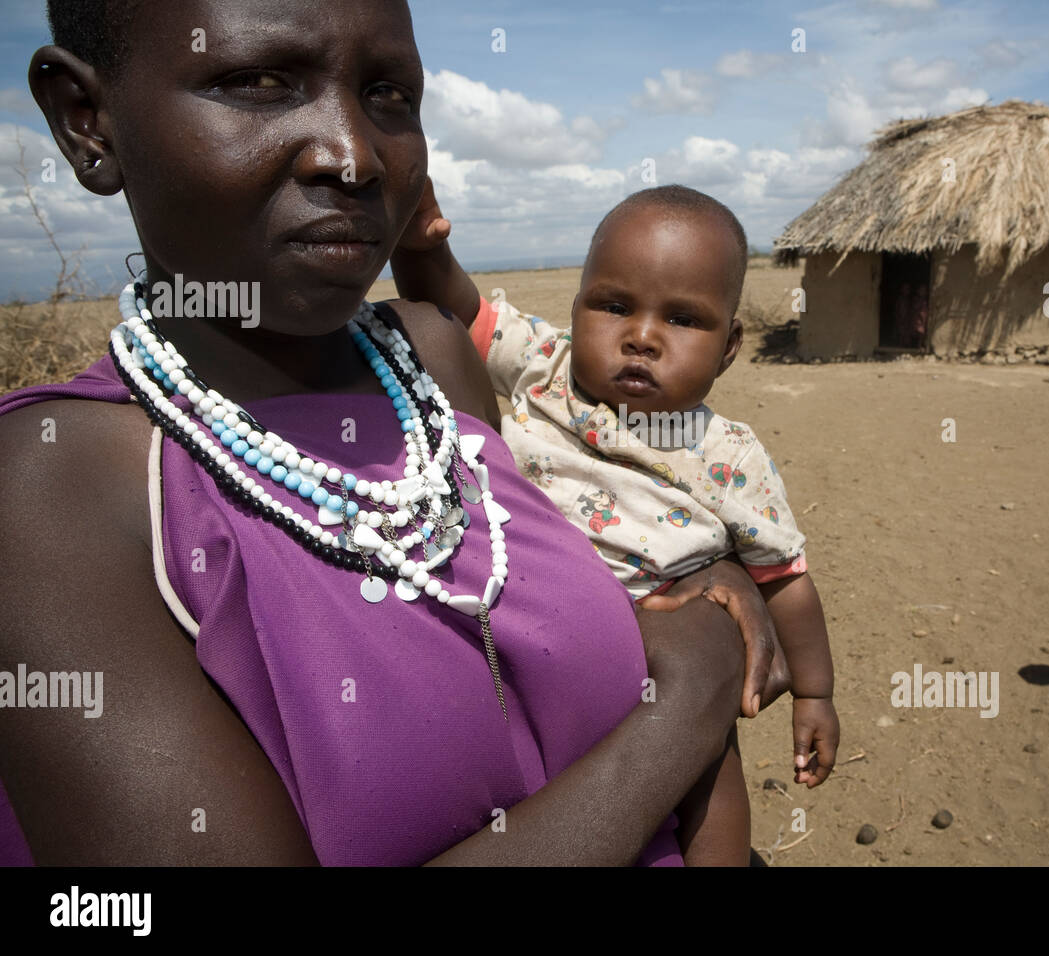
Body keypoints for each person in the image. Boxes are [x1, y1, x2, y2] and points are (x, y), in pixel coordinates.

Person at [0, 0, 788, 866]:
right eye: (261, 82)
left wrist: (701, 567)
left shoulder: (434, 360)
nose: (354, 154)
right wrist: (681, 710)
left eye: (387, 95)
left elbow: (554, 562)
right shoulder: (54, 488)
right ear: (86, 121)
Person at [398, 186, 838, 865]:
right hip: (528, 641)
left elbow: (785, 579)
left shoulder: (728, 456)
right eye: (613, 306)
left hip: (662, 655)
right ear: (576, 313)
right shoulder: (547, 370)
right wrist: (424, 244)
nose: (642, 336)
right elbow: (458, 311)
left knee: (710, 773)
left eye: (684, 319)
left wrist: (815, 691)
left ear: (728, 347)